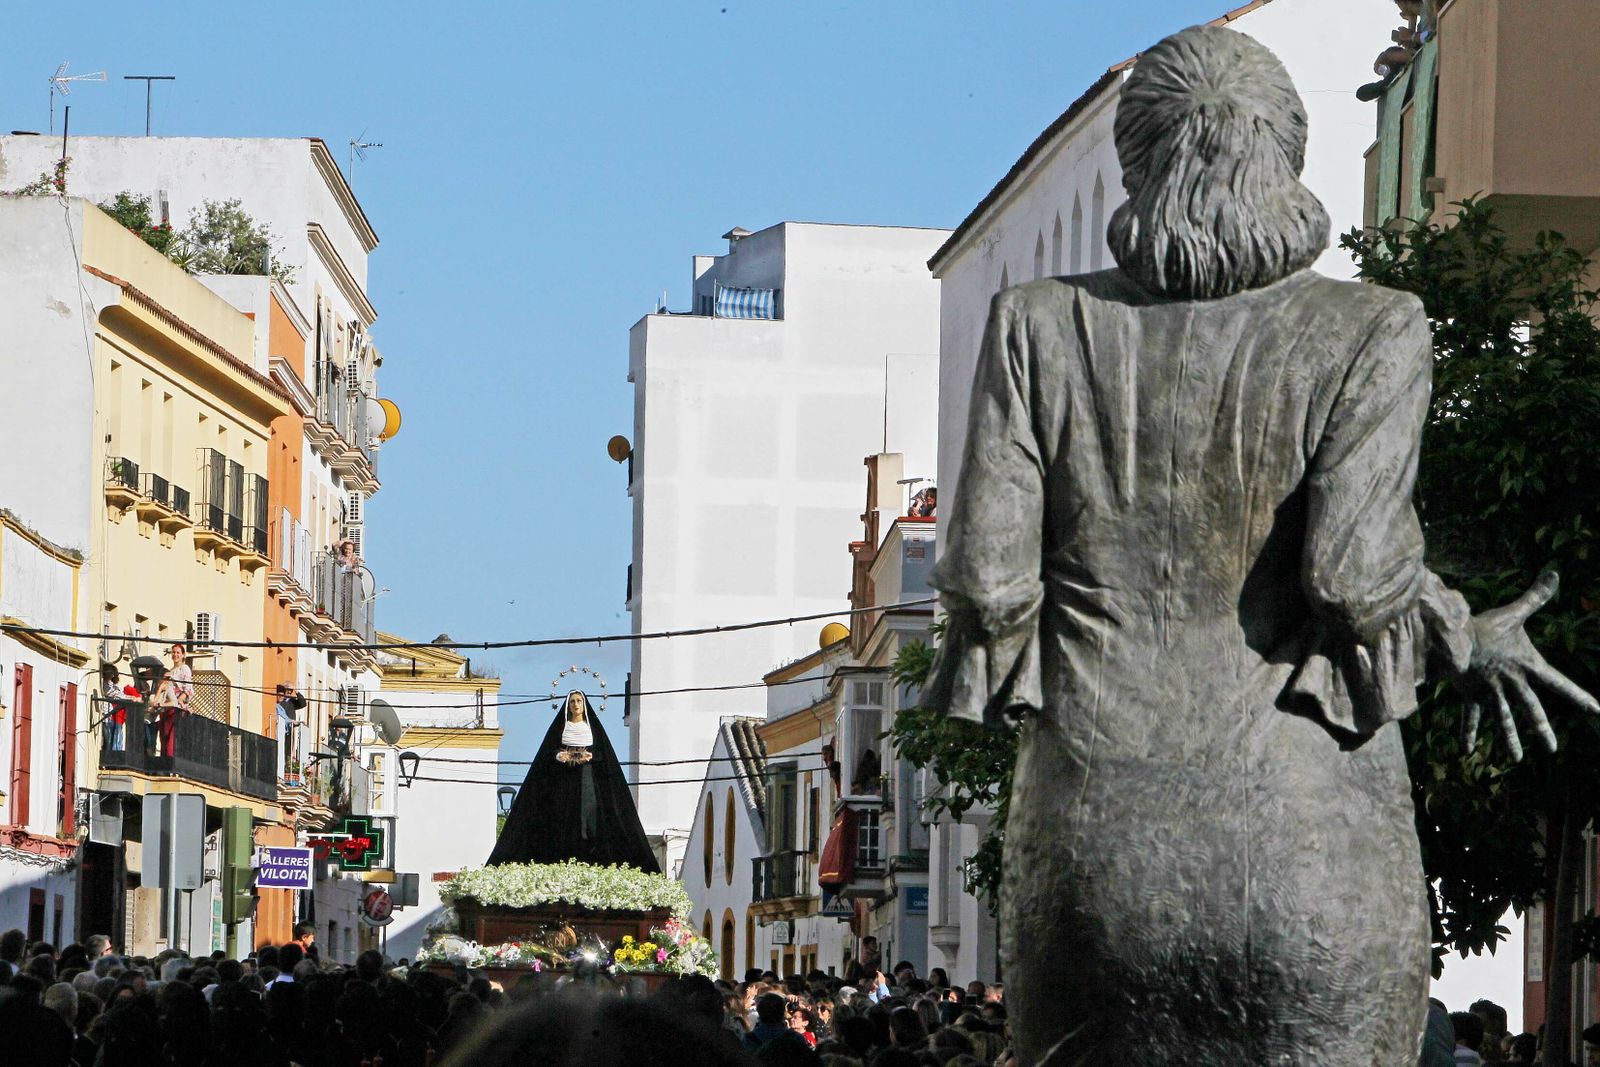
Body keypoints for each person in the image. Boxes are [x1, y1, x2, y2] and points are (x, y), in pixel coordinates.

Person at [925, 23, 1599, 1064]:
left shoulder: (1036, 324)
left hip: (1094, 847)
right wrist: (1462, 629)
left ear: (1137, 163)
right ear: (1286, 154)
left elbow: (984, 581)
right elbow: (1353, 576)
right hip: (1306, 837)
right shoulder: (1375, 326)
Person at [154, 643, 193, 758]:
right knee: (164, 738)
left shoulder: (184, 669)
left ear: (183, 655)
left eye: (178, 652)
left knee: (171, 739)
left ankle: (170, 762)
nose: (175, 655)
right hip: (165, 707)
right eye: (173, 652)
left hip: (175, 709)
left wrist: (180, 701)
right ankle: (164, 763)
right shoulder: (170, 670)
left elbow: (188, 688)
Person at [274, 685, 307, 781]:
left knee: (287, 752)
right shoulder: (279, 704)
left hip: (288, 731)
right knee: (281, 752)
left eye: (290, 690)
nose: (288, 692)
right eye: (287, 690)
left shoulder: (291, 702)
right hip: (281, 731)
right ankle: (281, 773)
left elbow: (303, 703)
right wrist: (293, 721)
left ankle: (285, 771)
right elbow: (283, 718)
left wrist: (297, 692)